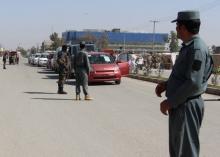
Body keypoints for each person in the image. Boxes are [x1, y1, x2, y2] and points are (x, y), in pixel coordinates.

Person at [155, 10, 213, 157]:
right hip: (181, 104)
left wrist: (170, 102)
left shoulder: (196, 48)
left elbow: (193, 83)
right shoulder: (189, 46)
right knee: (178, 148)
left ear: (183, 28)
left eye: (177, 26)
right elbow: (184, 76)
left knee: (186, 151)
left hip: (186, 105)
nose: (176, 30)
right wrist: (167, 84)